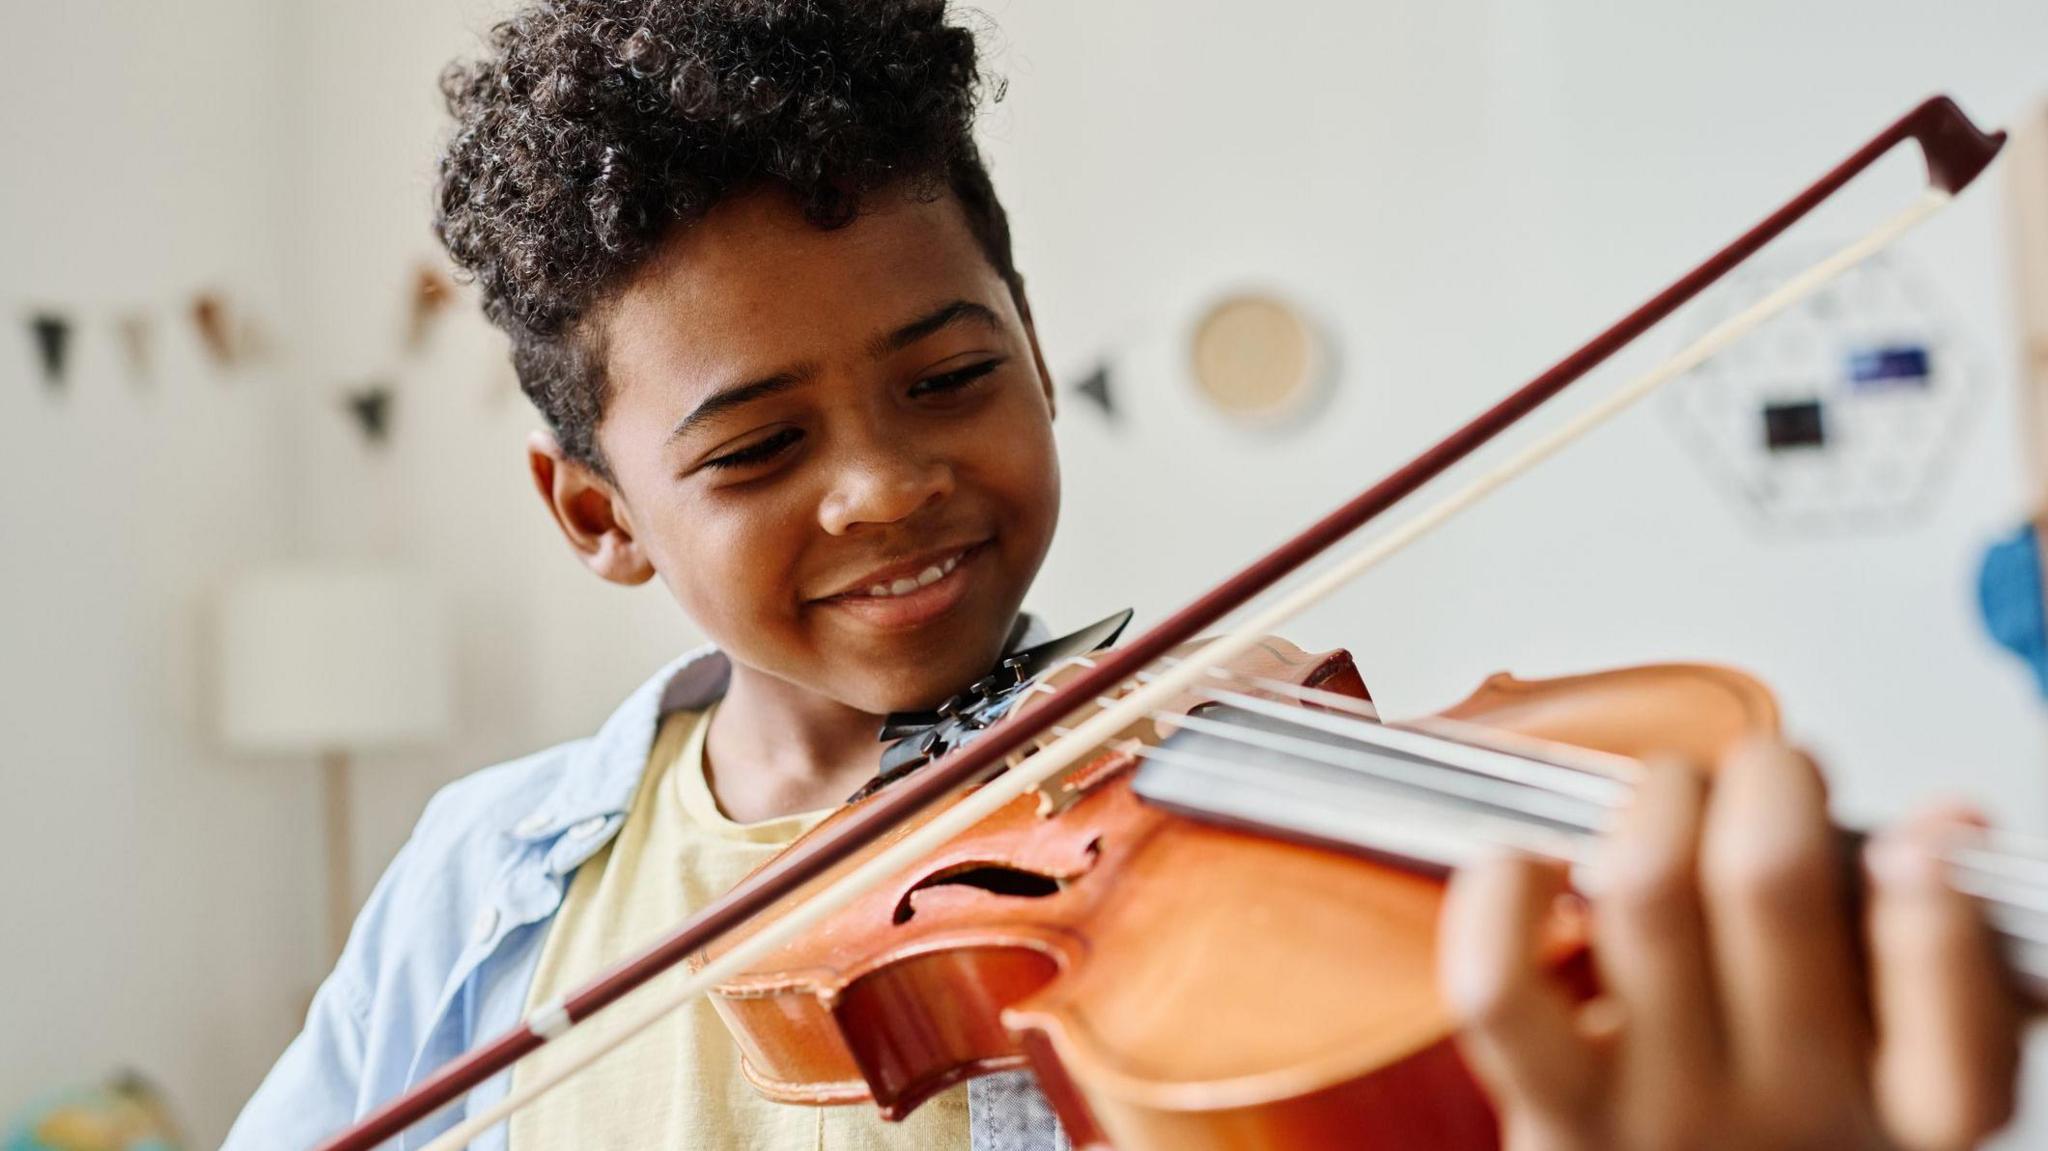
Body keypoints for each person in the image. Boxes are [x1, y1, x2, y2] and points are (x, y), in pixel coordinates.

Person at [223, 2, 2025, 1149]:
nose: (886, 486)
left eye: (952, 377)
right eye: (758, 448)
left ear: (1029, 338)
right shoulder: (484, 888)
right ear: (599, 514)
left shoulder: (1227, 844)